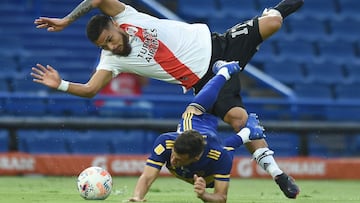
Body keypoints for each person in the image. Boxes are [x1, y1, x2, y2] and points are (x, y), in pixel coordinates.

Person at [30, 0, 303, 198]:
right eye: (104, 46)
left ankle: (276, 9)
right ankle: (278, 174)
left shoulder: (127, 15)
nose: (111, 46)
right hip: (204, 81)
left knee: (273, 22)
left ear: (114, 24)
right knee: (239, 120)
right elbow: (90, 90)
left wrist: (67, 20)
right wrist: (61, 84)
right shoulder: (112, 60)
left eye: (110, 39)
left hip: (216, 44)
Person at [128, 61, 266, 202]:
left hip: (211, 166)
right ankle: (224, 73)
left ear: (196, 158)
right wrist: (137, 198)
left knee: (227, 149)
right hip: (198, 126)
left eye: (179, 159)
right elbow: (146, 177)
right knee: (191, 112)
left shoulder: (217, 156)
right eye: (174, 154)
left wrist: (204, 195)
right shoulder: (166, 143)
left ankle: (247, 133)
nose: (172, 160)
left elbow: (221, 198)